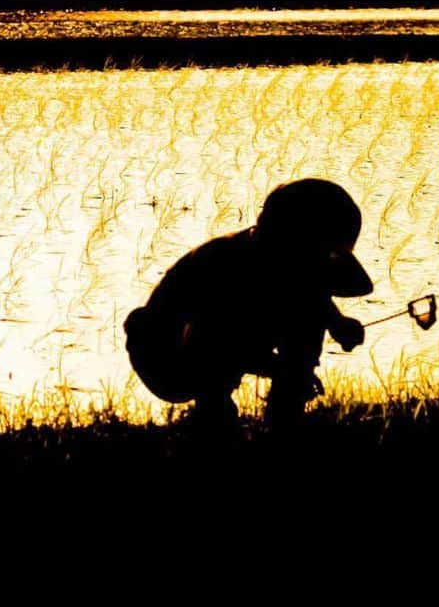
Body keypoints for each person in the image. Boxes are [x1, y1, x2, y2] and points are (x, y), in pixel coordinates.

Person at [123, 179, 372, 426]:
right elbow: (219, 342)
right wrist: (282, 370)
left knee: (305, 316)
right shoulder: (224, 264)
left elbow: (315, 291)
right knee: (217, 342)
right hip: (165, 357)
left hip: (226, 338)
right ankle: (213, 415)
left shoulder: (290, 263)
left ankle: (285, 414)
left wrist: (338, 323)